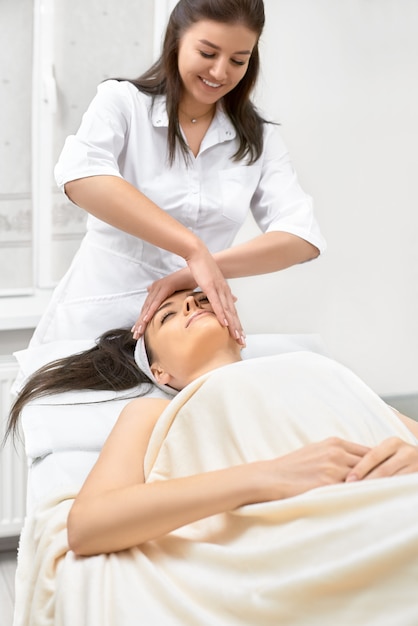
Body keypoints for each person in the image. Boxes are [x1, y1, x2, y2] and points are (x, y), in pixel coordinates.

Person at [8, 290, 418, 558]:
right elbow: (88, 526)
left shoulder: (320, 369)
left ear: (239, 335)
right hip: (299, 545)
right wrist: (271, 476)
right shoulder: (156, 414)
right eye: (167, 316)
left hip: (390, 510)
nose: (191, 305)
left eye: (203, 300)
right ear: (159, 371)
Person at [28, 0, 326, 349]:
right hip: (95, 318)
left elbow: (302, 238)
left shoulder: (258, 138)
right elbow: (80, 176)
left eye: (238, 60)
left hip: (180, 334)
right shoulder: (123, 104)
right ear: (176, 39)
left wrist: (193, 272)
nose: (220, 72)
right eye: (207, 52)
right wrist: (192, 249)